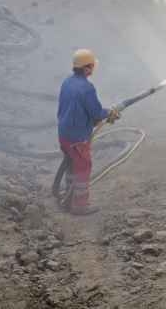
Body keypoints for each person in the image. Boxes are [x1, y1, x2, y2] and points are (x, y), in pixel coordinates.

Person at [56, 49, 119, 216]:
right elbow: (97, 113)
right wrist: (109, 112)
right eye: (92, 66)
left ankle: (68, 201)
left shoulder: (67, 81)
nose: (93, 68)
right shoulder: (87, 88)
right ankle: (79, 206)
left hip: (64, 134)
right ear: (86, 69)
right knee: (83, 168)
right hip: (78, 139)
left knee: (70, 166)